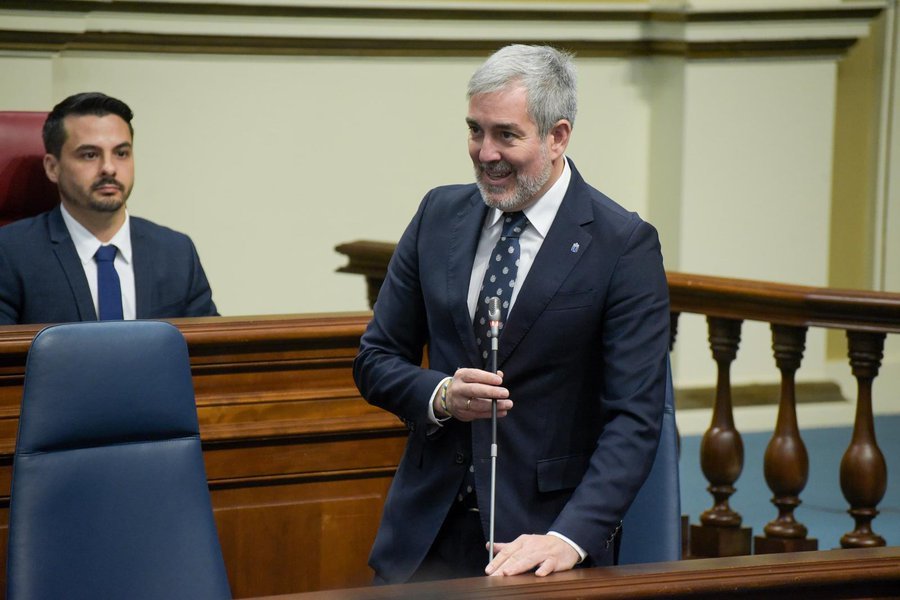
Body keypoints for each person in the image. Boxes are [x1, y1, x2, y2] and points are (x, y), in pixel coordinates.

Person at [353, 44, 670, 584]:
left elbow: (635, 419)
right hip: (423, 538)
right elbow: (376, 359)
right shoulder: (438, 215)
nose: (484, 152)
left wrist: (569, 538)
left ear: (558, 136)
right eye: (475, 130)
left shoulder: (622, 245)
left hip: (543, 544)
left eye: (506, 135)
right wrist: (442, 395)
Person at [0, 92, 218, 324]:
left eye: (121, 153)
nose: (109, 168)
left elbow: (211, 353)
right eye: (90, 155)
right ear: (53, 168)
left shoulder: (176, 252)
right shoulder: (10, 253)